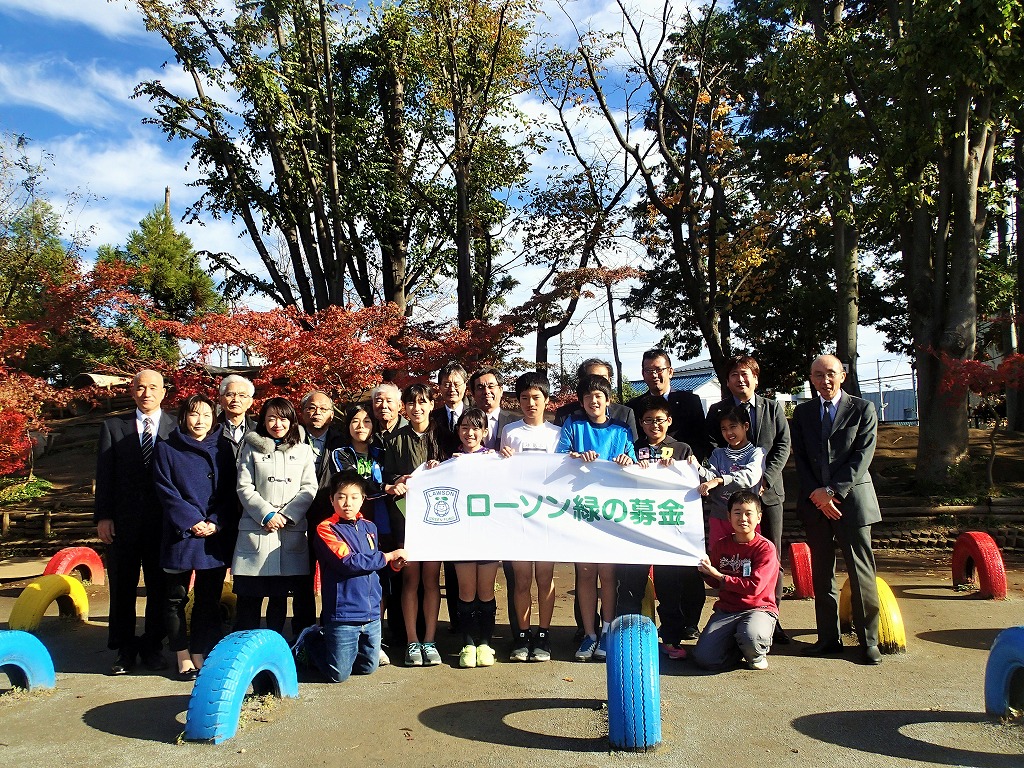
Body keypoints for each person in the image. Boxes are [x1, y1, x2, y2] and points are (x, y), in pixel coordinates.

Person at [792, 354, 883, 665]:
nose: (824, 380)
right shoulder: (803, 413)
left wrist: (832, 491)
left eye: (830, 373)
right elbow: (800, 459)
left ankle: (869, 640)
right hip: (815, 506)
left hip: (852, 503)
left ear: (843, 375)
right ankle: (828, 638)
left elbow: (862, 455)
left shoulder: (863, 408)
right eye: (818, 375)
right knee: (822, 575)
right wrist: (818, 495)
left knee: (861, 573)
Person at [705, 354, 792, 643]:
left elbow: (782, 445)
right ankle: (732, 615)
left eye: (745, 374)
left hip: (767, 496)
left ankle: (771, 618)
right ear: (727, 381)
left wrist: (765, 479)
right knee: (732, 557)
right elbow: (712, 447)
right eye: (733, 375)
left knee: (772, 559)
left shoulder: (772, 407)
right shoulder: (719, 410)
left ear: (755, 377)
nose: (740, 380)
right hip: (729, 501)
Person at [94, 369, 175, 675]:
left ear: (163, 392)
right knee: (123, 587)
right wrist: (103, 516)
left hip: (164, 523)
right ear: (131, 391)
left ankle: (154, 646)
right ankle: (124, 649)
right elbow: (104, 475)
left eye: (153, 387)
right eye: (140, 388)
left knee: (160, 587)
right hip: (122, 523)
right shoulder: (113, 426)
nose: (147, 393)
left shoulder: (175, 427)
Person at [153, 393, 238, 680]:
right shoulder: (167, 448)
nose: (199, 420)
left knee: (208, 598)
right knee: (175, 598)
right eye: (193, 414)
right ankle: (180, 652)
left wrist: (215, 522)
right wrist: (191, 522)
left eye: (205, 414)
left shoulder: (223, 448)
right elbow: (166, 491)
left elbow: (230, 492)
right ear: (183, 417)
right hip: (181, 534)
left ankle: (202, 649)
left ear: (214, 418)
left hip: (213, 535)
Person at [294, 471, 408, 683]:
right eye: (341, 497)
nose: (348, 503)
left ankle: (340, 649)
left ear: (363, 499)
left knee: (367, 668)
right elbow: (348, 562)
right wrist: (388, 555)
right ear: (331, 499)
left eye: (355, 497)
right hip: (342, 614)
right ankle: (310, 640)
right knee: (338, 675)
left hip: (372, 613)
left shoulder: (369, 527)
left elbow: (375, 565)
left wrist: (394, 565)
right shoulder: (325, 528)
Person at [556, 373, 636, 661]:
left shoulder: (621, 430)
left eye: (599, 396)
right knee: (586, 574)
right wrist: (575, 457)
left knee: (608, 575)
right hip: (581, 510)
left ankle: (607, 631)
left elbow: (634, 464)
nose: (593, 401)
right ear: (581, 401)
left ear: (608, 400)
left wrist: (627, 461)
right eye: (588, 396)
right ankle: (588, 634)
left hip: (611, 512)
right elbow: (558, 459)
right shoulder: (573, 425)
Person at [617, 395, 705, 657]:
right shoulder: (631, 448)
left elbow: (698, 479)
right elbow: (618, 479)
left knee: (670, 587)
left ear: (668, 421)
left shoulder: (682, 450)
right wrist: (626, 464)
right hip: (638, 526)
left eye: (659, 420)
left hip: (669, 529)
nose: (653, 425)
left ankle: (671, 639)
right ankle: (629, 639)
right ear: (641, 424)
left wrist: (689, 468)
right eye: (647, 421)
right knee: (631, 583)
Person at [233, 397, 318, 635]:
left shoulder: (302, 450)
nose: (277, 423)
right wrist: (267, 513)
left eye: (283, 418)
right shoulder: (250, 447)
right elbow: (244, 486)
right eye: (271, 417)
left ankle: (275, 648)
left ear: (292, 420)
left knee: (279, 600)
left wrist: (288, 514)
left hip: (289, 531)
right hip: (257, 530)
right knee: (249, 600)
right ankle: (243, 651)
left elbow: (309, 487)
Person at [500, 372, 561, 662]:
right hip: (518, 516)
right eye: (524, 398)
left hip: (548, 515)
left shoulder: (557, 433)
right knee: (521, 579)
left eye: (536, 397)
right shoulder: (510, 431)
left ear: (546, 400)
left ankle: (544, 634)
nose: (530, 403)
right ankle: (522, 635)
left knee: (545, 578)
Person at [383, 384, 444, 667]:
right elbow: (387, 476)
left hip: (437, 520)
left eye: (422, 402)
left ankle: (430, 639)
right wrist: (398, 482)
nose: (416, 408)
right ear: (403, 408)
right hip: (404, 520)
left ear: (432, 405)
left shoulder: (443, 435)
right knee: (410, 580)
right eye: (411, 403)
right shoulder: (394, 440)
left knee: (431, 581)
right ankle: (411, 641)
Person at [441, 408, 501, 668]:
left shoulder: (496, 460)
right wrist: (436, 467)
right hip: (460, 535)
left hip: (488, 534)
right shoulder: (449, 461)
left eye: (476, 427)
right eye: (464, 427)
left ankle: (486, 644)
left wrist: (504, 460)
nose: (470, 433)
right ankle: (467, 644)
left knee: (486, 591)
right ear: (458, 430)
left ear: (485, 432)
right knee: (466, 592)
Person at [693, 490, 779, 671]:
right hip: (727, 610)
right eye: (737, 513)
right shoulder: (721, 545)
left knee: (752, 637)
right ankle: (736, 647)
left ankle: (756, 653)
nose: (743, 519)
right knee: (704, 659)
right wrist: (705, 572)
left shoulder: (766, 548)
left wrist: (718, 575)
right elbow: (717, 584)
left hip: (758, 609)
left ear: (759, 517)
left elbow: (754, 587)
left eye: (749, 513)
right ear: (729, 516)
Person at [293, 390, 345, 637]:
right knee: (302, 576)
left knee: (331, 573)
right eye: (311, 408)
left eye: (323, 409)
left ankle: (330, 626)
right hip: (297, 515)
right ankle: (303, 629)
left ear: (331, 415)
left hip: (329, 517)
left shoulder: (341, 441)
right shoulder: (292, 438)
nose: (316, 413)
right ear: (302, 413)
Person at [697, 406, 765, 545]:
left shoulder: (757, 453)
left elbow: (749, 477)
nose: (729, 432)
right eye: (724, 428)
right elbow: (709, 476)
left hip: (745, 519)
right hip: (719, 517)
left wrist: (720, 480)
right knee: (719, 559)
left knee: (747, 558)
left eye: (733, 427)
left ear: (745, 426)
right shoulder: (717, 453)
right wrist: (696, 467)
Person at [626, 349, 709, 460]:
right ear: (643, 374)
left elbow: (700, 438)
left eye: (659, 369)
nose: (654, 375)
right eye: (649, 370)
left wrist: (688, 465)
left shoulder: (690, 401)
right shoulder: (633, 406)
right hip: (645, 468)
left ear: (670, 372)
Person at [554, 358, 638, 441]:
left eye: (603, 378)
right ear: (582, 381)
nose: (598, 382)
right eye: (593, 377)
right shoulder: (564, 415)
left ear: (610, 380)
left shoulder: (625, 414)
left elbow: (633, 448)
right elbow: (558, 450)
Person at [431, 361, 471, 458]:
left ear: (465, 386)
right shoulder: (432, 418)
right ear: (439, 387)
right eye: (447, 384)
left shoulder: (474, 415)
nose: (452, 389)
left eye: (456, 384)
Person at [217, 374, 256, 459]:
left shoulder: (259, 431)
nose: (236, 400)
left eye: (242, 395)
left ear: (250, 402)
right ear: (221, 400)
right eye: (230, 394)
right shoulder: (211, 430)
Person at [371, 383, 407, 447]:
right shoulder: (368, 432)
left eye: (389, 401)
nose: (384, 406)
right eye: (379, 401)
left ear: (399, 406)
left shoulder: (411, 431)